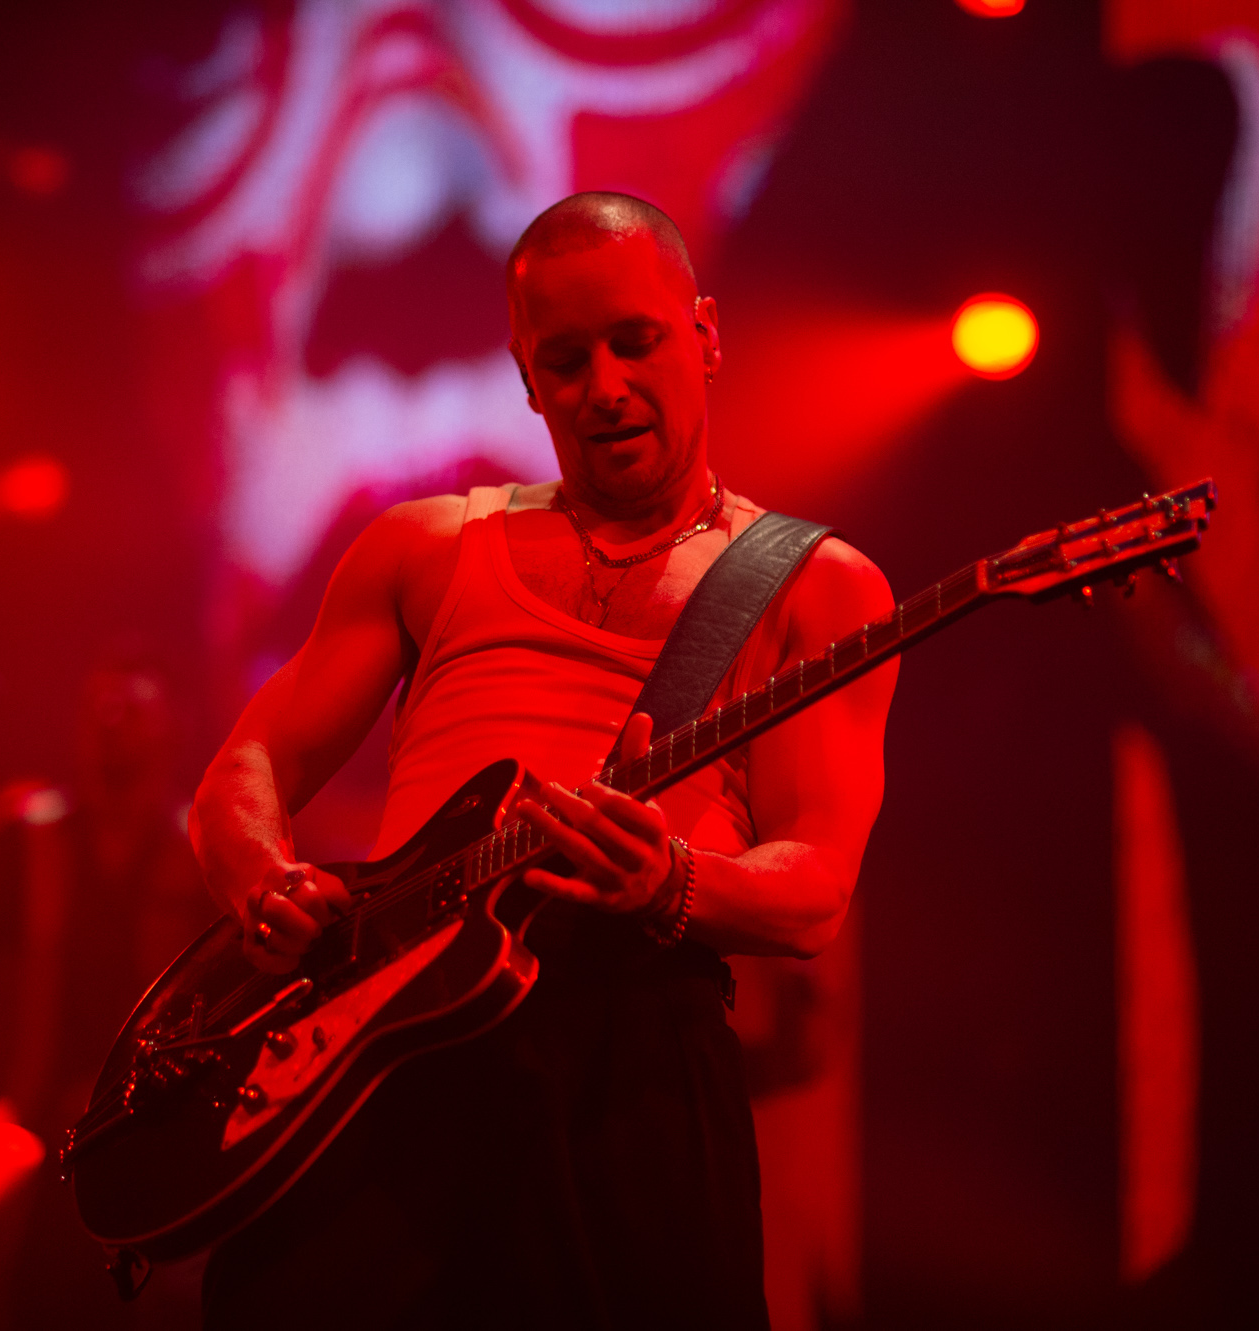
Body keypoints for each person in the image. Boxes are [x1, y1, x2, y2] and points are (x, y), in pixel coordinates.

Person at [187, 191, 897, 1329]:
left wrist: (671, 880)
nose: (604, 385)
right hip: (383, 1052)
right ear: (525, 377)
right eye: (565, 359)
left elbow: (815, 882)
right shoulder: (424, 548)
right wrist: (262, 883)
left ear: (705, 334)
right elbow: (247, 765)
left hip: (633, 1063)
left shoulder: (819, 585)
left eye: (636, 340)